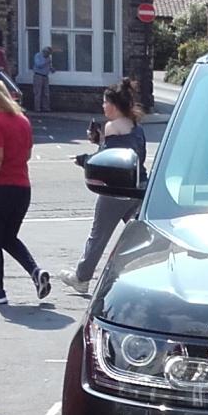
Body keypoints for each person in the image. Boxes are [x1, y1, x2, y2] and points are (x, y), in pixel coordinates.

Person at [57, 78, 147, 294]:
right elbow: (126, 152)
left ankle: (81, 277)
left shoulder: (112, 126)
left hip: (115, 190)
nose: (103, 106)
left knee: (98, 236)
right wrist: (100, 140)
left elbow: (107, 160)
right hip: (138, 187)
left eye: (105, 102)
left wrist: (84, 159)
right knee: (141, 235)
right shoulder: (136, 127)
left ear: (114, 105)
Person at [0, 81, 51, 306]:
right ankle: (36, 272)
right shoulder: (23, 121)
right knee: (7, 237)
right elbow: (28, 155)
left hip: (2, 187)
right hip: (22, 188)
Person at [32, 46, 54, 112]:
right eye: (47, 53)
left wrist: (51, 69)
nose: (48, 55)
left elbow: (49, 66)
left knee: (46, 93)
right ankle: (37, 108)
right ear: (44, 52)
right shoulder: (38, 56)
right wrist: (46, 62)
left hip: (45, 76)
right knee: (38, 92)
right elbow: (38, 65)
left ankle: (46, 108)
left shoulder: (48, 58)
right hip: (38, 75)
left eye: (49, 54)